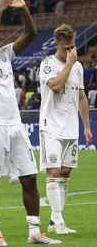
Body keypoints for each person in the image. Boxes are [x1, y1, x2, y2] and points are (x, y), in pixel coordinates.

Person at [0, 0, 61, 247]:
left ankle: (34, 232)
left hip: (15, 125)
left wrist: (22, 9)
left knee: (30, 178)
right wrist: (1, 7)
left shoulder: (5, 54)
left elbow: (30, 34)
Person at [38, 24, 93, 234]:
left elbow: (81, 97)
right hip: (50, 126)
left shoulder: (77, 67)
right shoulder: (47, 64)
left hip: (71, 127)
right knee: (53, 172)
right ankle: (59, 221)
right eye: (66, 48)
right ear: (57, 44)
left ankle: (55, 220)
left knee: (65, 173)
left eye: (73, 47)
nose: (71, 51)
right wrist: (69, 64)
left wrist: (86, 126)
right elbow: (56, 86)